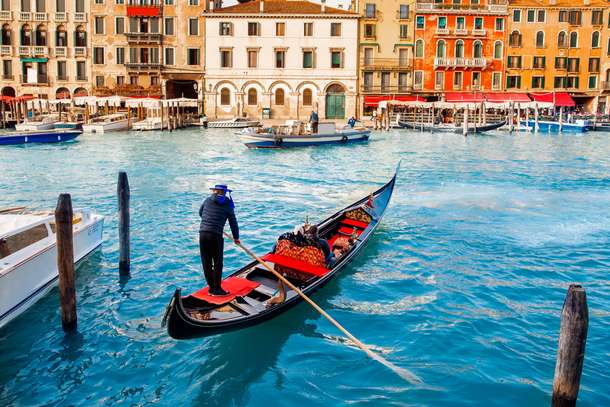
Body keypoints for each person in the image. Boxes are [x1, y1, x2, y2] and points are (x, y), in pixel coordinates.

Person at [198, 184, 240, 296]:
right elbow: (233, 222)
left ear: (215, 191)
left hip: (203, 233)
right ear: (224, 192)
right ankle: (217, 289)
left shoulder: (207, 200)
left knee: (206, 262)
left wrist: (209, 223)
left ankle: (211, 288)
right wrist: (236, 238)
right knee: (217, 263)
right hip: (215, 235)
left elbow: (201, 213)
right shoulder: (227, 204)